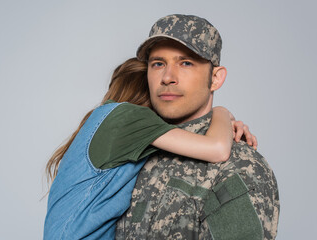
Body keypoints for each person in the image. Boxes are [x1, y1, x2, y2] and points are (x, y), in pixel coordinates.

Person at [43, 57, 256, 239]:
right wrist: (222, 112)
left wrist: (224, 126)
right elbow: (217, 149)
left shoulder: (104, 122)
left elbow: (194, 136)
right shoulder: (128, 118)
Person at [116, 14, 279, 240]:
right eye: (158, 64)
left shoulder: (239, 166)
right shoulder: (131, 152)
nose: (168, 77)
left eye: (186, 63)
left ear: (215, 79)